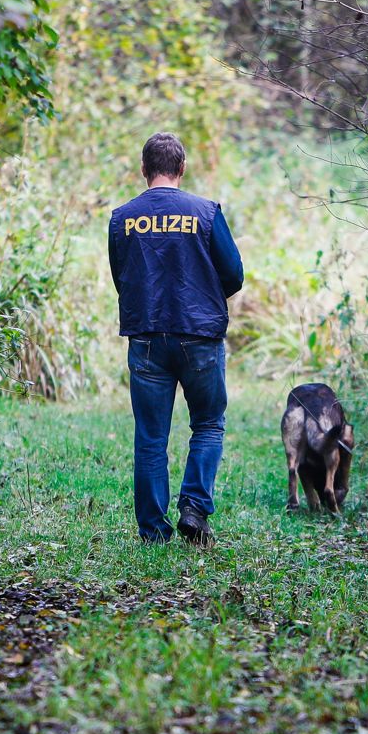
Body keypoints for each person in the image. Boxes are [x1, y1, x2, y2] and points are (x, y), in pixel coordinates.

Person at [108, 132, 244, 545]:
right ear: (181, 168)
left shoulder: (122, 217)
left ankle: (152, 531)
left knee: (151, 437)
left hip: (146, 337)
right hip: (199, 336)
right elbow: (234, 274)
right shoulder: (205, 211)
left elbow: (122, 277)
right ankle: (194, 509)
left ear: (144, 169)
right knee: (207, 424)